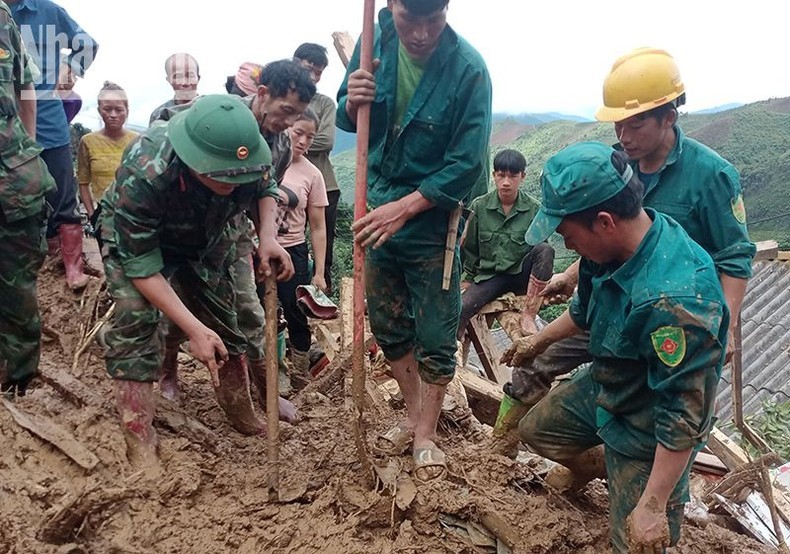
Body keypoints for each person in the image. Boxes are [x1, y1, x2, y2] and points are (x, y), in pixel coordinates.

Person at [501, 142, 728, 553]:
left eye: (568, 235)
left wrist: (654, 504)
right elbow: (585, 313)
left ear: (604, 221)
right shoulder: (607, 250)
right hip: (610, 383)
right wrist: (537, 341)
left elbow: (685, 413)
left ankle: (643, 485)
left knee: (638, 541)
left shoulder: (675, 302)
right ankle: (607, 466)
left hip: (651, 422)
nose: (569, 247)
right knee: (536, 430)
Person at [515, 47, 756, 406]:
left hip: (668, 314)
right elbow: (608, 234)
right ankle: (502, 449)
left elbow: (735, 258)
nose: (624, 135)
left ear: (669, 117)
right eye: (618, 124)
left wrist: (727, 326)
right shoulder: (615, 166)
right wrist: (572, 273)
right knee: (534, 363)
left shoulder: (711, 175)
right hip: (610, 305)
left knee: (661, 409)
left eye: (636, 123)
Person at [337, 0, 492, 482]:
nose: (422, 33)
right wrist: (351, 99)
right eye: (411, 19)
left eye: (434, 19)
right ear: (391, 6)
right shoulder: (375, 36)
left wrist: (405, 209)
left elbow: (467, 164)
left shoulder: (469, 70)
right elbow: (350, 120)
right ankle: (409, 413)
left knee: (435, 330)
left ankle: (427, 431)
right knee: (386, 321)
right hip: (377, 202)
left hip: (431, 217)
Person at [96, 95, 294, 467]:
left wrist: (268, 236)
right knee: (137, 319)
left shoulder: (250, 153)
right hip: (141, 239)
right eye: (220, 175)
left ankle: (241, 410)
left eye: (239, 175)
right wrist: (193, 328)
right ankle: (138, 430)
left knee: (227, 318)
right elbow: (141, 264)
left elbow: (265, 188)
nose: (233, 182)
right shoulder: (147, 170)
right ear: (192, 159)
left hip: (208, 233)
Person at [153, 60, 315, 411]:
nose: (289, 122)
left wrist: (267, 238)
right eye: (286, 110)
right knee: (178, 307)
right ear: (262, 94)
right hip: (179, 227)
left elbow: (265, 190)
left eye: (297, 115)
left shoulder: (281, 145)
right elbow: (167, 125)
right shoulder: (218, 115)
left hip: (231, 230)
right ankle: (168, 371)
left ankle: (266, 393)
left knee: (250, 310)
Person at [9, 0, 99, 291]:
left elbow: (88, 44)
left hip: (47, 116)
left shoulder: (49, 12)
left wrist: (69, 65)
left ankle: (72, 266)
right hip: (6, 124)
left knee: (62, 191)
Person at [0, 0, 57, 397]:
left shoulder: (5, 19)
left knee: (18, 280)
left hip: (15, 175)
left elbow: (26, 89)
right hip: (16, 167)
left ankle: (18, 377)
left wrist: (28, 150)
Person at [459, 149, 554, 337]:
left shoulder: (534, 208)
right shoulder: (479, 206)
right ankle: (455, 353)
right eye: (501, 175)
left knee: (545, 250)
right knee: (460, 310)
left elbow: (542, 256)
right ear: (494, 175)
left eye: (513, 176)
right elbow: (470, 248)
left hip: (521, 274)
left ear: (523, 176)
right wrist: (468, 279)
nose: (506, 182)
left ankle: (529, 314)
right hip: (490, 277)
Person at [274, 109, 328, 382]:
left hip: (293, 250)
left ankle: (299, 372)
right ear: (285, 128)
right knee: (261, 311)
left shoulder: (312, 174)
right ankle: (270, 372)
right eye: (299, 132)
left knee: (294, 311)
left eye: (310, 136)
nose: (304, 141)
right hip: (259, 248)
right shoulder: (267, 161)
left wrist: (318, 271)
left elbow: (318, 227)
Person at [293, 42, 341, 294]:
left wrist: (292, 140)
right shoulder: (285, 97)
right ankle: (294, 298)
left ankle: (324, 296)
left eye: (319, 71)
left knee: (325, 244)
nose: (313, 75)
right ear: (295, 62)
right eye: (309, 67)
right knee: (292, 241)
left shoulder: (324, 104)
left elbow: (327, 140)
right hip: (288, 183)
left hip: (325, 182)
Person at [77, 82, 138, 218]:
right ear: (99, 110)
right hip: (103, 214)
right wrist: (92, 215)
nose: (113, 115)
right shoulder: (88, 142)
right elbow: (83, 182)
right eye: (107, 109)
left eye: (119, 109)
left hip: (134, 213)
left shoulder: (138, 141)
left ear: (127, 111)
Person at [148, 52, 200, 125]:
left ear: (198, 78)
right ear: (169, 80)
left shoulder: (210, 108)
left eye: (190, 75)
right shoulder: (159, 115)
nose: (185, 82)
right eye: (178, 76)